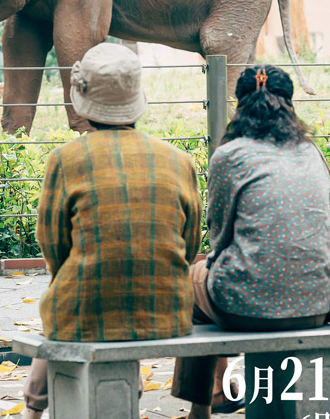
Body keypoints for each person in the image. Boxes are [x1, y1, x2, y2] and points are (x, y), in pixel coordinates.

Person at [23, 42, 203, 418]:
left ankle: (33, 410)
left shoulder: (64, 159)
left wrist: (71, 278)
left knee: (63, 304)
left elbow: (52, 243)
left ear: (83, 100)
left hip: (83, 311)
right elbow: (189, 245)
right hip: (167, 312)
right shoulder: (180, 161)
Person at [171, 65, 330, 419]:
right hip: (316, 303)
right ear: (289, 104)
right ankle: (219, 393)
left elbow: (219, 234)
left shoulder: (230, 155)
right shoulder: (312, 153)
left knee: (189, 281)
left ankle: (210, 397)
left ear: (239, 105)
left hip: (244, 306)